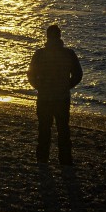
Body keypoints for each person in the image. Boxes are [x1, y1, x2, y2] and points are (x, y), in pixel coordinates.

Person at [28, 24, 83, 165]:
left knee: (44, 129)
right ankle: (65, 160)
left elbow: (31, 75)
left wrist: (39, 87)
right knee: (63, 129)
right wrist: (67, 86)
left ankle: (42, 158)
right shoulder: (68, 54)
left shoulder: (39, 54)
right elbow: (78, 74)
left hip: (45, 98)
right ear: (59, 36)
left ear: (47, 37)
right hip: (61, 98)